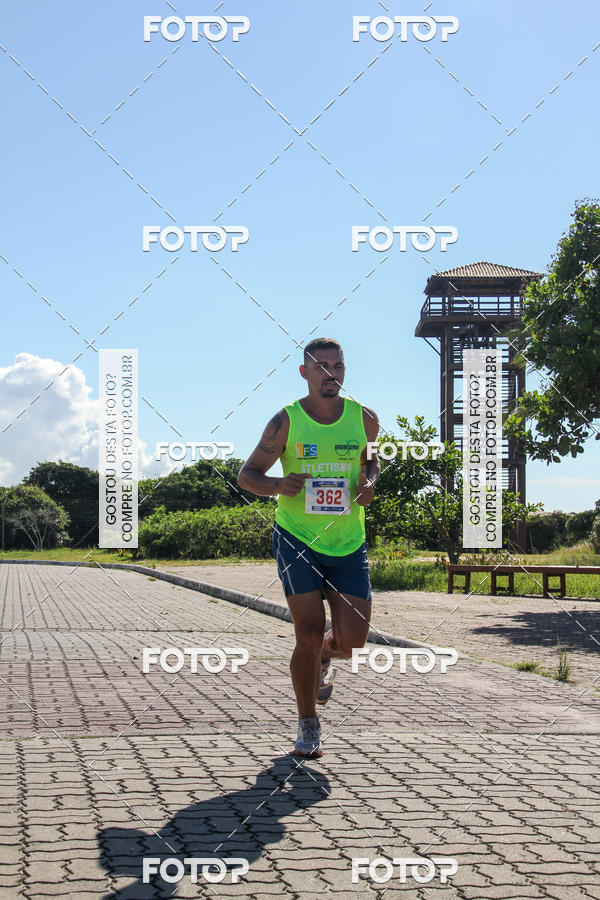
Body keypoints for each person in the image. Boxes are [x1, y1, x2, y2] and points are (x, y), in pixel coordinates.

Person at [238, 338, 380, 758]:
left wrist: (369, 480)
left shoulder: (365, 419)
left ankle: (322, 658)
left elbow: (371, 459)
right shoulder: (286, 421)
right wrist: (280, 485)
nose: (331, 373)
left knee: (353, 641)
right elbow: (248, 475)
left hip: (348, 541)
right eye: (322, 366)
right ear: (305, 372)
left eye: (338, 365)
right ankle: (307, 725)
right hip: (296, 537)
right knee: (309, 631)